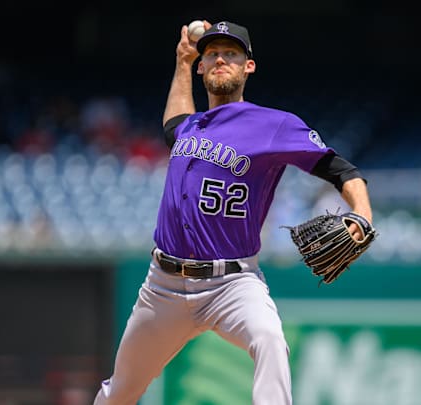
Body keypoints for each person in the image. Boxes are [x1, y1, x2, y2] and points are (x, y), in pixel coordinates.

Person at [93, 20, 374, 405]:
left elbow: (340, 169)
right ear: (202, 68)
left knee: (270, 340)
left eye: (231, 54)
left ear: (248, 66)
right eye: (212, 55)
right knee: (119, 392)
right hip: (163, 287)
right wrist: (181, 61)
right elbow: (174, 126)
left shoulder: (274, 125)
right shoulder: (192, 127)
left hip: (232, 284)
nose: (220, 59)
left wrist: (362, 213)